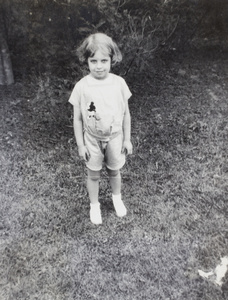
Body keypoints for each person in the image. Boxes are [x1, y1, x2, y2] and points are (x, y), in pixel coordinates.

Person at [69, 33, 132, 225]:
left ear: (112, 59)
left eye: (104, 60)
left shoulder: (119, 83)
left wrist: (127, 139)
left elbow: (126, 114)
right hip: (92, 139)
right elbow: (78, 119)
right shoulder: (81, 86)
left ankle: (116, 198)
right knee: (93, 174)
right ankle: (94, 205)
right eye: (93, 60)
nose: (99, 66)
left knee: (114, 171)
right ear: (86, 60)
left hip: (115, 137)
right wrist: (81, 145)